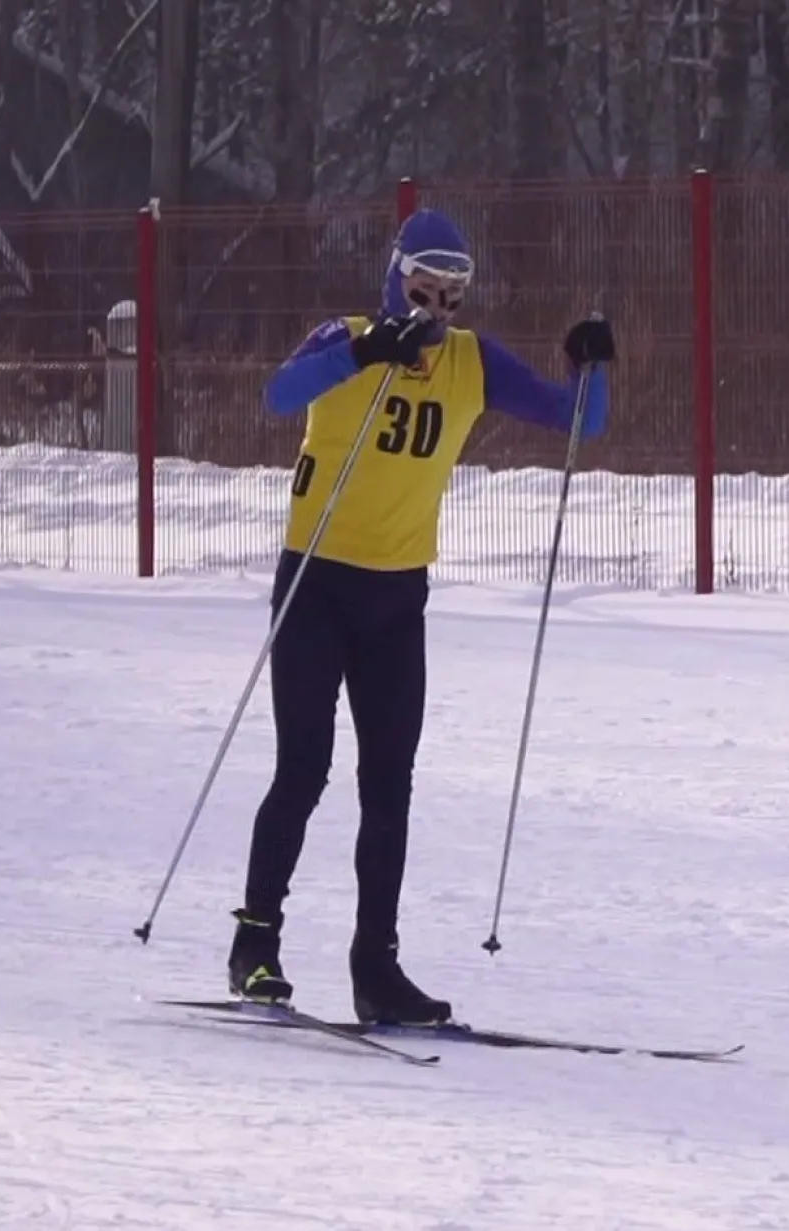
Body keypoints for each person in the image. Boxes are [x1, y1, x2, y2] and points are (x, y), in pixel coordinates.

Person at [228, 207, 614, 1025]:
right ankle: (254, 944)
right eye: (422, 289)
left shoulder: (471, 361)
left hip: (397, 598)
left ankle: (377, 966)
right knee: (303, 768)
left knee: (389, 786)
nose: (435, 309)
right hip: (317, 585)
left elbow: (580, 422)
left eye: (451, 296)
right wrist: (369, 349)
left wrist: (591, 367)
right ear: (395, 278)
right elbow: (279, 392)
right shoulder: (347, 335)